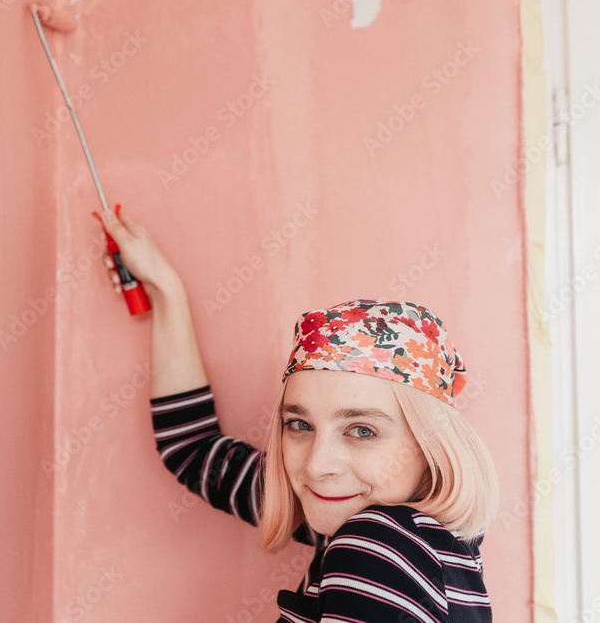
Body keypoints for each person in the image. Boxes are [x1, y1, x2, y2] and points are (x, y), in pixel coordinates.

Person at [97, 207, 500, 622]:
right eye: (301, 425)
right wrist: (165, 290)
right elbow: (192, 449)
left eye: (362, 430)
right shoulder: (401, 532)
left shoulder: (379, 542)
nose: (316, 464)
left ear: (430, 445)